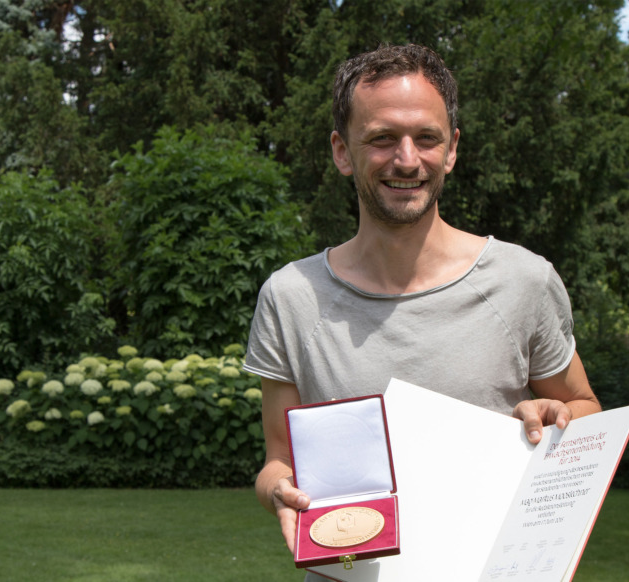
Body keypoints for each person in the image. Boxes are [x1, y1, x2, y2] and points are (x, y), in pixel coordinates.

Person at [244, 44, 601, 558]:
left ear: (451, 149)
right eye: (383, 138)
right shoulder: (292, 296)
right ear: (342, 151)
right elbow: (279, 460)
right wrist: (277, 490)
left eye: (426, 138)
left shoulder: (524, 280)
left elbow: (586, 409)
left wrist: (556, 416)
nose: (407, 160)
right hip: (349, 570)